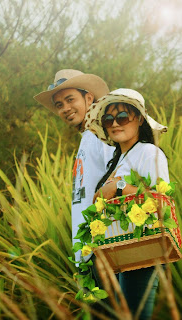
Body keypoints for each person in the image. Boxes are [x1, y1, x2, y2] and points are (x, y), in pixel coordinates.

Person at [85, 88, 168, 319]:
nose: (115, 123)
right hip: (119, 251)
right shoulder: (117, 159)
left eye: (122, 117)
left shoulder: (148, 152)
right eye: (108, 119)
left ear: (139, 119)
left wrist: (118, 187)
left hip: (142, 251)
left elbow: (161, 203)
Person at [33, 69, 115, 264]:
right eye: (59, 105)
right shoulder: (87, 137)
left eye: (70, 100)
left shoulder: (105, 133)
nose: (65, 108)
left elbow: (120, 181)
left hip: (109, 250)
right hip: (90, 254)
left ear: (88, 98)